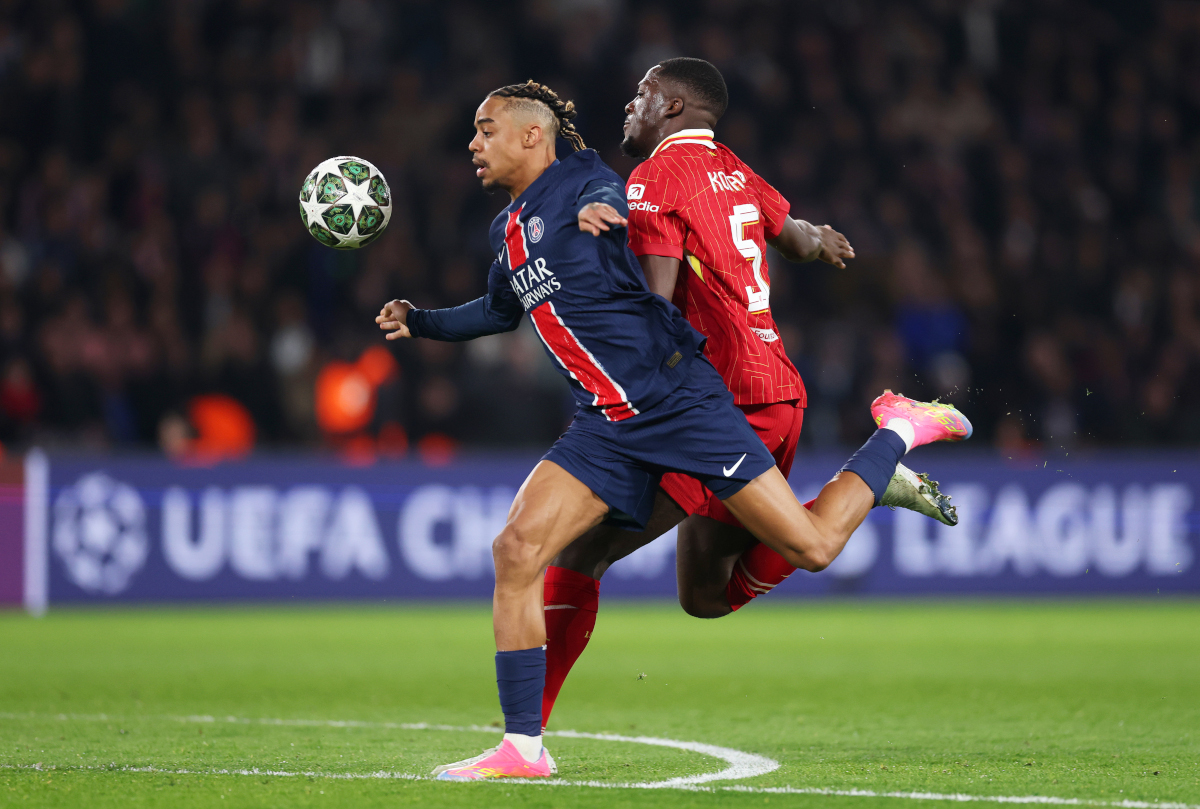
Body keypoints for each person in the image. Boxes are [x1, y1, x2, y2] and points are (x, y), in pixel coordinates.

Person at [376, 80, 972, 781]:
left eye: (485, 129)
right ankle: (522, 748)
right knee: (517, 548)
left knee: (810, 546)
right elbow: (500, 312)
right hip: (604, 423)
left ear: (532, 135)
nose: (473, 144)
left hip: (677, 403)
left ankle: (895, 433)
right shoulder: (506, 231)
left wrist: (611, 211)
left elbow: (613, 200)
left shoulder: (586, 179)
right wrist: (421, 321)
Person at [539, 58, 957, 730]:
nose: (628, 104)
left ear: (673, 108)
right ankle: (871, 479)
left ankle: (526, 737)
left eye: (642, 94)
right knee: (704, 595)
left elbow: (656, 307)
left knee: (583, 550)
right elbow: (795, 237)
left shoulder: (652, 181)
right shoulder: (732, 167)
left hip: (718, 409)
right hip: (773, 396)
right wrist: (822, 241)